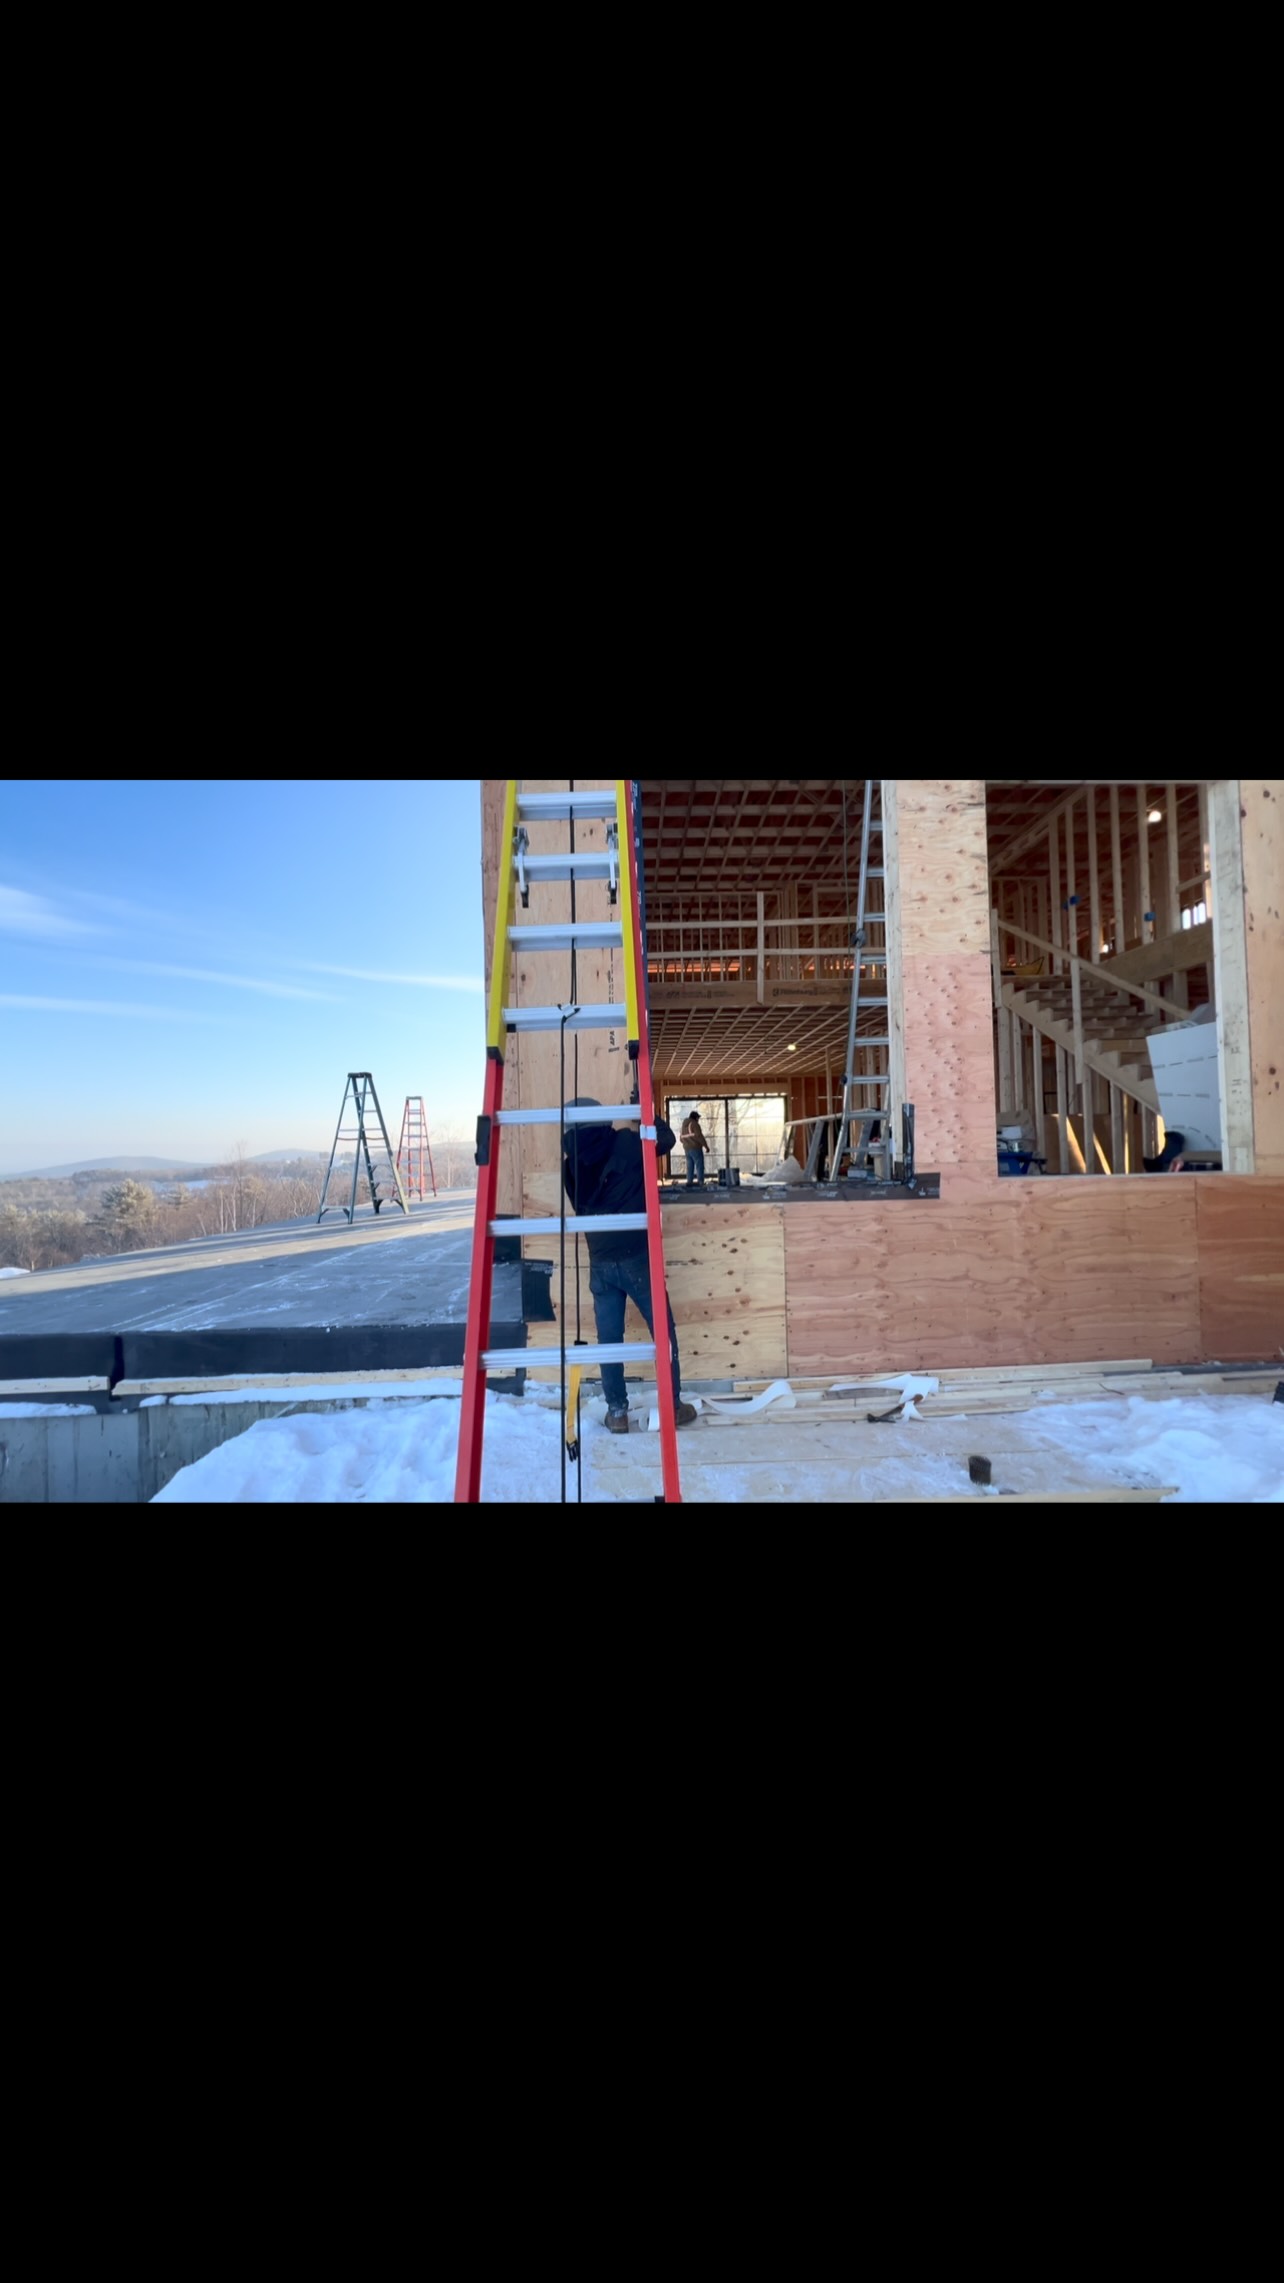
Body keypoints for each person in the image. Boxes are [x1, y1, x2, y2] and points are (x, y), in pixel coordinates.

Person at [562, 1097, 698, 1436]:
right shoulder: (626, 1142)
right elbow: (666, 1140)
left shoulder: (570, 1164)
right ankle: (672, 1406)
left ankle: (618, 1413)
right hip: (637, 1257)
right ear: (603, 1119)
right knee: (662, 1331)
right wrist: (645, 1112)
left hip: (600, 1261)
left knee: (610, 1339)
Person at [680, 1108, 709, 1187]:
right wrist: (706, 1146)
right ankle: (700, 1182)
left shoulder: (684, 1125)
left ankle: (689, 1182)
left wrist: (686, 1143)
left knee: (690, 1166)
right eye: (698, 1118)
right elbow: (699, 1136)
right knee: (699, 1165)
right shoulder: (694, 1124)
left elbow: (681, 1139)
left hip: (687, 1149)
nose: (698, 1119)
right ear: (695, 1118)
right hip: (695, 1148)